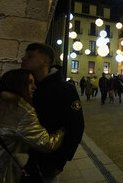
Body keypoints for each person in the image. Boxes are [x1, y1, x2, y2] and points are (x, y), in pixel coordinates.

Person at [0, 69, 64, 183]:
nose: (35, 87)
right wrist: (61, 132)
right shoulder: (19, 109)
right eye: (30, 82)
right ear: (18, 84)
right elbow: (46, 143)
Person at [21, 42, 84, 181]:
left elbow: (76, 126)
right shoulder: (22, 85)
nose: (23, 59)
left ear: (45, 61)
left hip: (48, 161)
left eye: (30, 56)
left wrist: (60, 162)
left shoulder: (65, 89)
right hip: (19, 159)